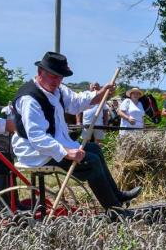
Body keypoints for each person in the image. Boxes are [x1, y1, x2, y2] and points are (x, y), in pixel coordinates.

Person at [11, 51, 138, 212]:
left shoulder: (58, 90)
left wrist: (101, 94)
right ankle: (114, 210)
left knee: (94, 149)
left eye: (60, 77)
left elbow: (77, 102)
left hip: (55, 145)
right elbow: (37, 138)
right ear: (40, 73)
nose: (57, 81)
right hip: (36, 152)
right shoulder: (30, 99)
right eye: (53, 76)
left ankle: (116, 195)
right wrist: (66, 152)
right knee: (90, 161)